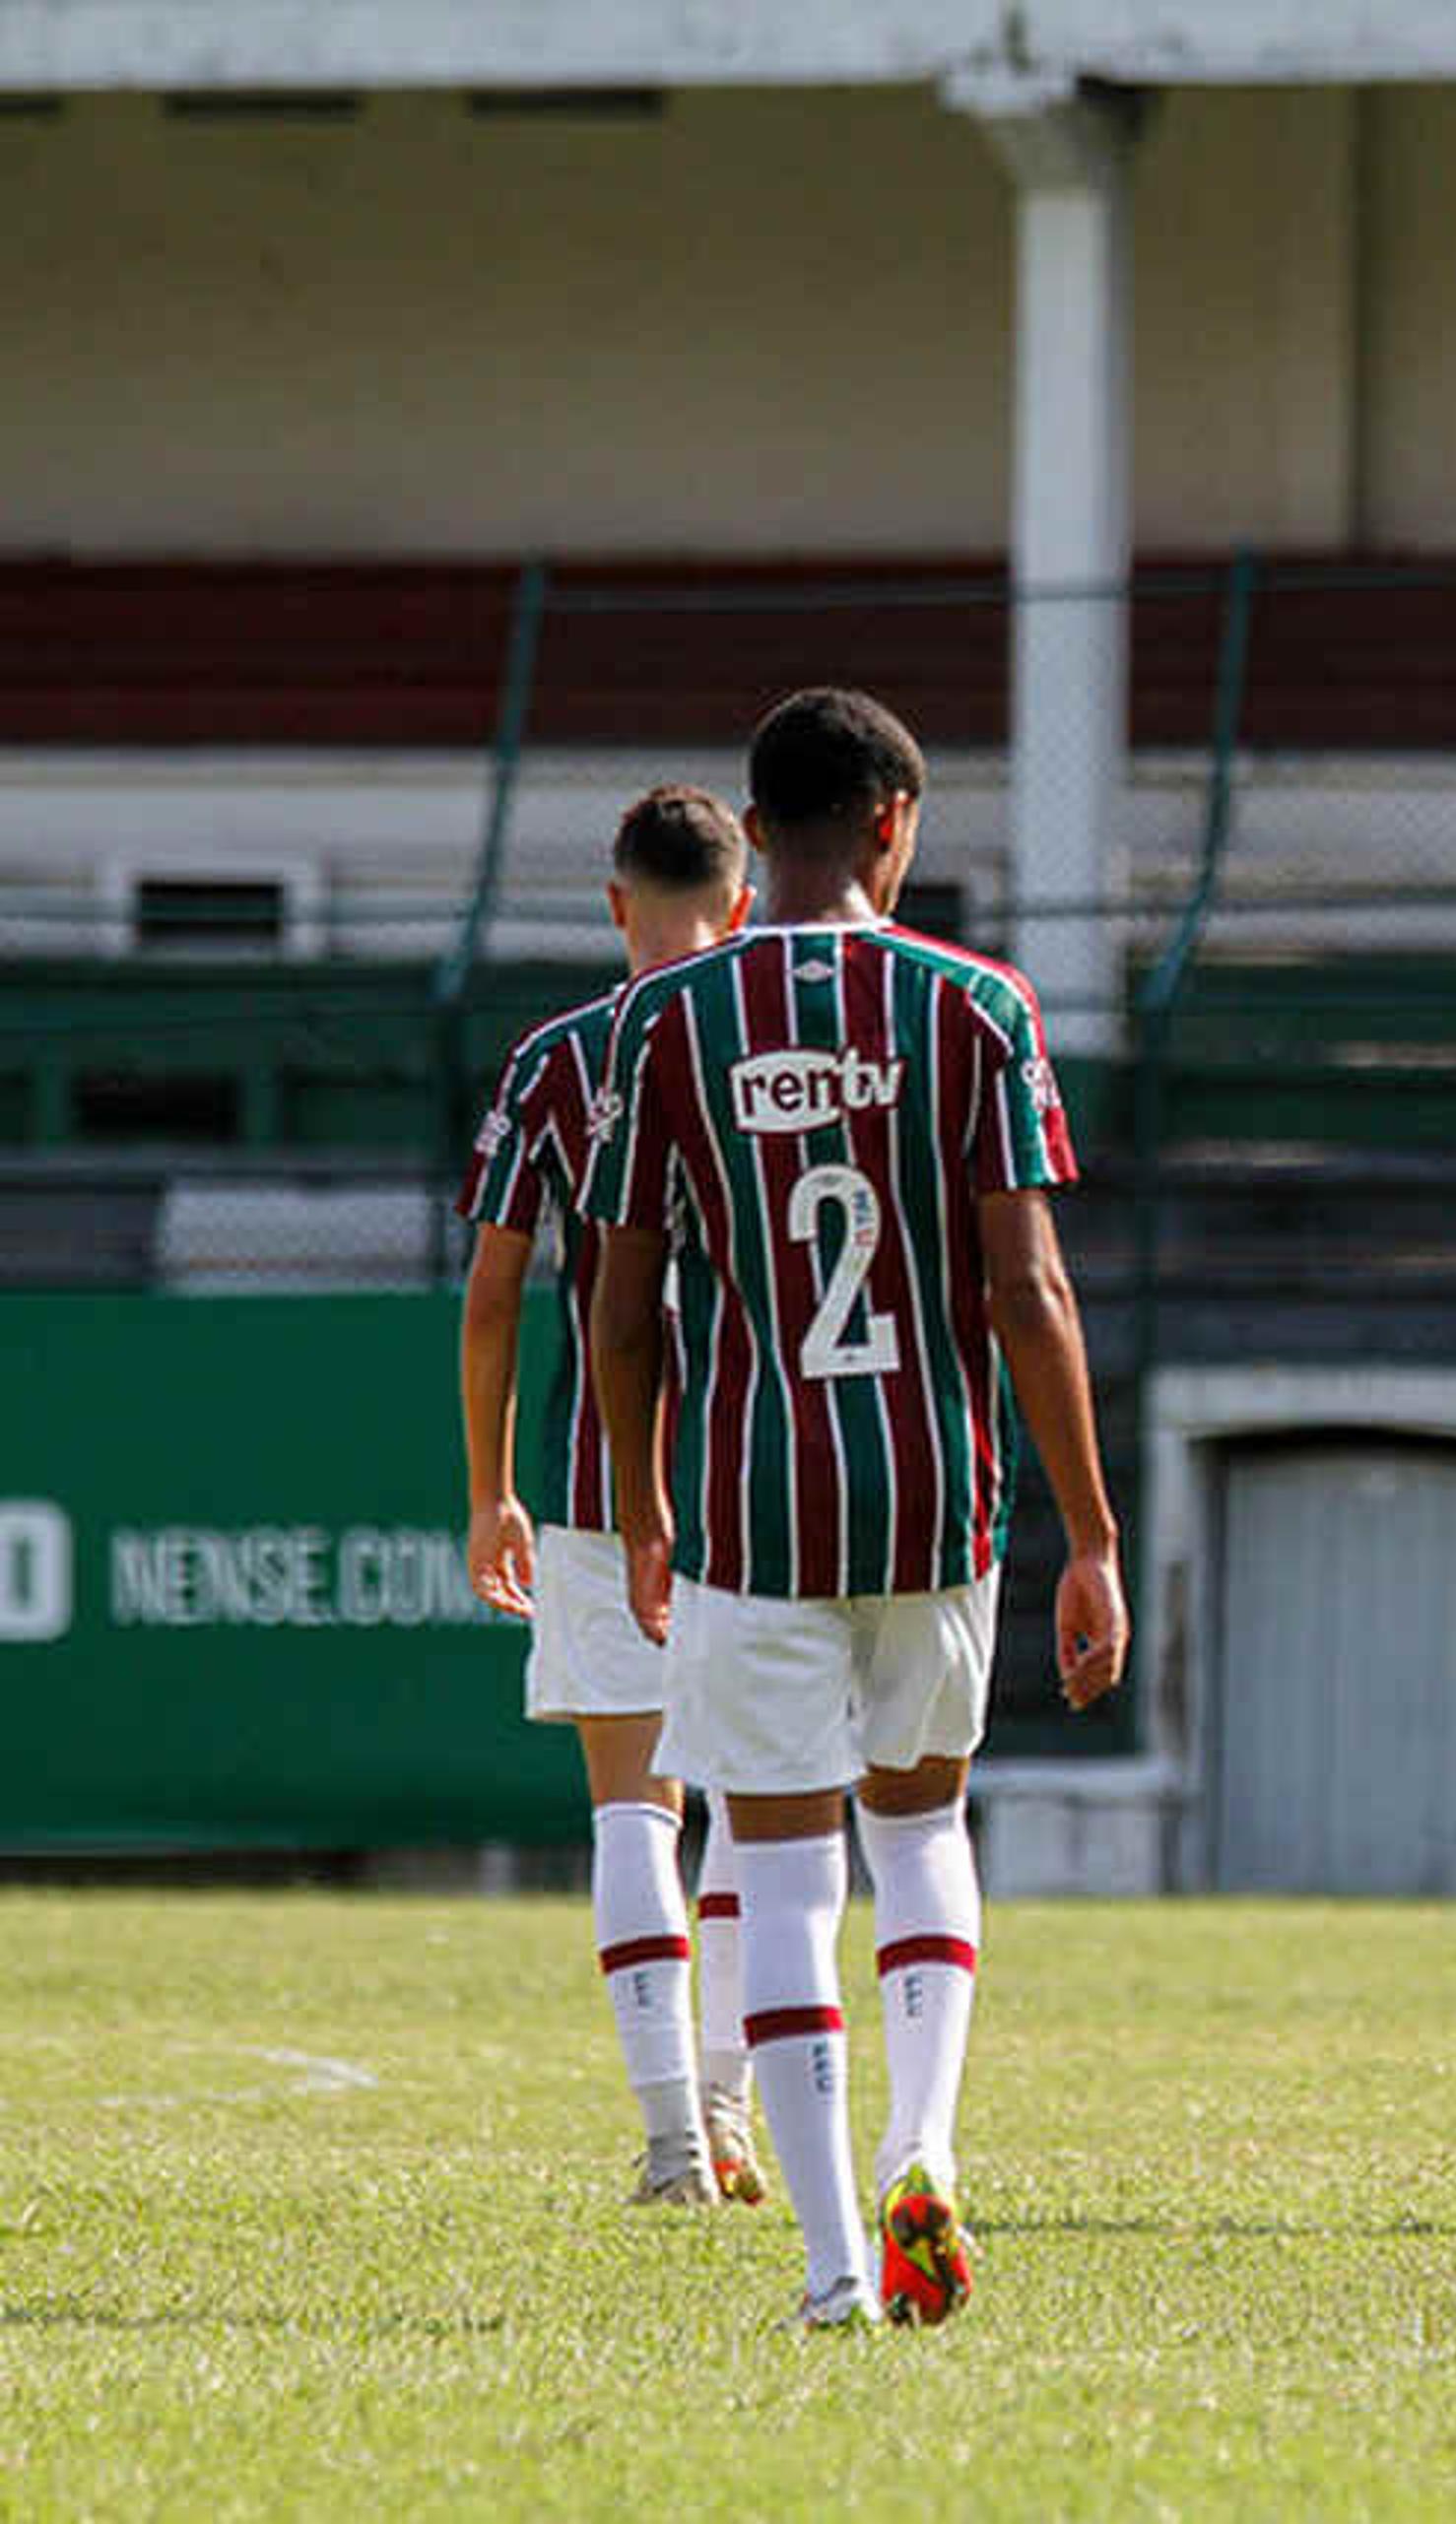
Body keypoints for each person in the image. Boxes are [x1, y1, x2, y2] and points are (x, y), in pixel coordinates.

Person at [580, 688, 1130, 2331]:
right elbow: (1029, 1286)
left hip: (755, 1496)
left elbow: (621, 1310)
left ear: (755, 834)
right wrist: (1091, 1533)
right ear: (896, 822)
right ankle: (927, 2144)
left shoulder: (666, 1020)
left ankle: (830, 2267)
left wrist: (640, 1502)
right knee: (921, 1828)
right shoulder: (975, 1005)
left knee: (784, 1870)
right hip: (930, 1503)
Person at [458, 786, 763, 2209]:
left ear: (613, 903)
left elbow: (495, 1292)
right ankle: (732, 2104)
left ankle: (671, 2141)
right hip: (774, 1479)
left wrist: (489, 1490)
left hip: (595, 1480)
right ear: (743, 900)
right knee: (770, 1812)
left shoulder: (560, 1057)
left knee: (635, 1806)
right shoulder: (786, 1035)